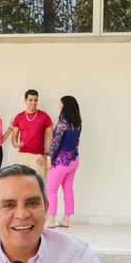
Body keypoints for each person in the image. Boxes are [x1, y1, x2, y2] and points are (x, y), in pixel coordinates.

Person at [45, 95, 82, 229]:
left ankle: (51, 219)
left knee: (51, 189)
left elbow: (56, 142)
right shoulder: (77, 122)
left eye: (60, 104)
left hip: (62, 160)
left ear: (65, 106)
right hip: (74, 160)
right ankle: (66, 219)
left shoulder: (63, 122)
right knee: (68, 190)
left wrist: (49, 158)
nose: (59, 106)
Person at [11, 89, 52, 177]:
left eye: (35, 100)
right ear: (25, 100)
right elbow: (14, 137)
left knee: (37, 186)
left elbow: (52, 138)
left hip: (38, 157)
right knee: (20, 185)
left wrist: (45, 156)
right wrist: (16, 144)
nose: (33, 102)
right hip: (22, 156)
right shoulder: (19, 117)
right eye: (30, 100)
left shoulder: (45, 116)